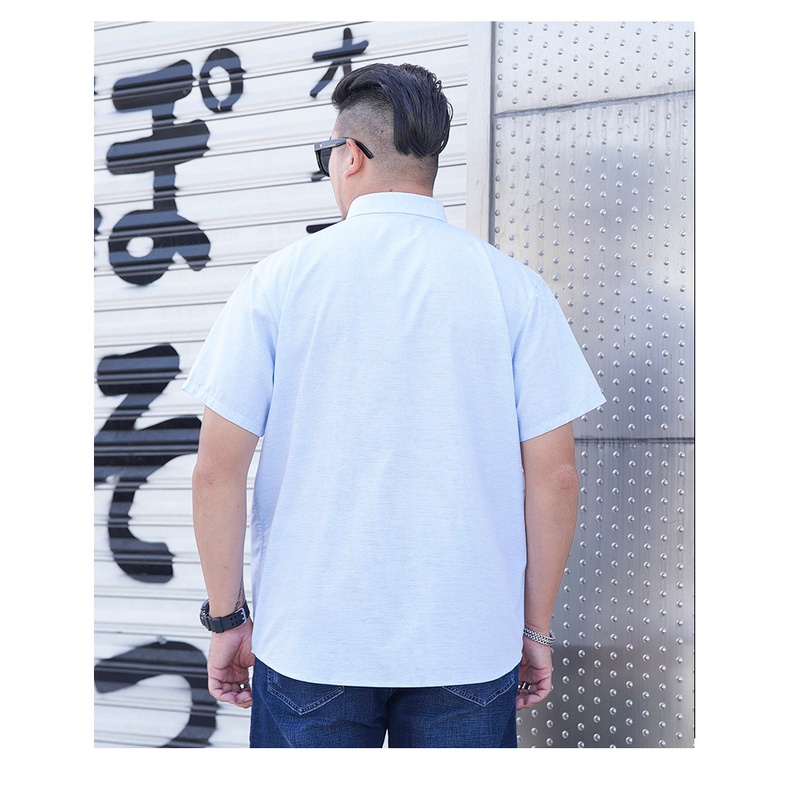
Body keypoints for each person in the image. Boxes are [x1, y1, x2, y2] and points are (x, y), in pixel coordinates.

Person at [184, 62, 605, 748]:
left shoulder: (278, 282)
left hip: (312, 643)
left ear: (349, 156)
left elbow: (216, 472)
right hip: (468, 643)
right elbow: (555, 476)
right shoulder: (513, 288)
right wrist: (534, 629)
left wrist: (228, 620)